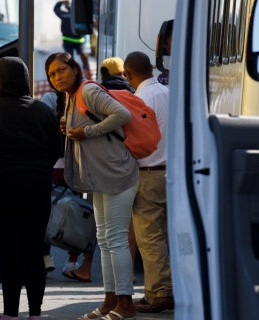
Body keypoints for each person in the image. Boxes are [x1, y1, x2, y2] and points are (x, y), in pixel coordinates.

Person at [45, 51, 139, 320]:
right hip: (100, 176)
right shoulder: (70, 96)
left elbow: (121, 115)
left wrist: (87, 132)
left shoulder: (87, 90)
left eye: (61, 70)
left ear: (74, 69)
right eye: (52, 74)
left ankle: (126, 305)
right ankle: (110, 301)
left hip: (117, 173)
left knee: (116, 239)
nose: (57, 77)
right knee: (106, 240)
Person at [0, 56, 62, 320]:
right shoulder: (43, 111)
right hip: (37, 189)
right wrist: (38, 170)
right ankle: (35, 313)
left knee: (10, 251)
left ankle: (10, 313)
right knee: (35, 250)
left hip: (5, 190)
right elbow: (56, 149)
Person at [123, 51, 174, 313]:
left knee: (149, 236)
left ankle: (160, 293)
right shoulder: (168, 93)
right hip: (172, 173)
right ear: (152, 68)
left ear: (127, 75)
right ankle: (158, 290)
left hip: (148, 173)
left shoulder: (137, 99)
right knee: (166, 236)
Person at [40, 89, 96, 283]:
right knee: (76, 215)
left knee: (49, 213)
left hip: (55, 166)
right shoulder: (81, 99)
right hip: (73, 166)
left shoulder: (48, 98)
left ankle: (48, 257)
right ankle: (70, 261)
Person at [99, 56, 139, 283]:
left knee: (106, 235)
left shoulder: (98, 94)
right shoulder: (133, 93)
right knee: (124, 231)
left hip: (104, 166)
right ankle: (128, 277)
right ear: (123, 73)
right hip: (130, 163)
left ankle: (115, 294)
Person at [54, 0, 92, 80]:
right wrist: (62, 2)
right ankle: (73, 76)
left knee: (83, 57)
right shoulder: (64, 14)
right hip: (69, 43)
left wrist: (62, 2)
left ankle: (88, 74)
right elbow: (56, 9)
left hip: (78, 42)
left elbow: (56, 9)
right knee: (69, 60)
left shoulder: (76, 14)